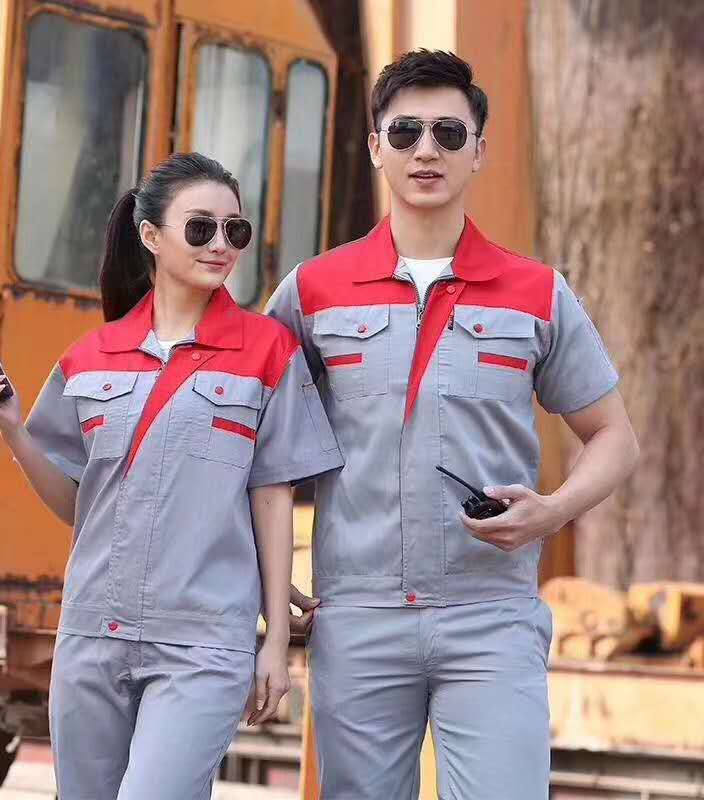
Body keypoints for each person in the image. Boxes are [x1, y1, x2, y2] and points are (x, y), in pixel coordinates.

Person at [267, 50, 639, 799]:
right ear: (376, 148)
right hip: (359, 615)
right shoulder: (313, 291)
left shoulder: (537, 292)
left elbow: (615, 438)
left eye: (448, 132)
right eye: (405, 132)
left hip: (490, 616)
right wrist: (263, 585)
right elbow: (254, 448)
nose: (426, 150)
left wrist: (553, 511)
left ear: (479, 150)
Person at [0, 152, 343, 800]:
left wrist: (276, 642)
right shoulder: (91, 357)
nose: (221, 244)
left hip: (203, 642)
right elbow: (79, 505)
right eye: (201, 228)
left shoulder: (267, 351)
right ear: (150, 235)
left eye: (235, 230)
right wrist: (13, 429)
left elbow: (272, 496)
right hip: (93, 634)